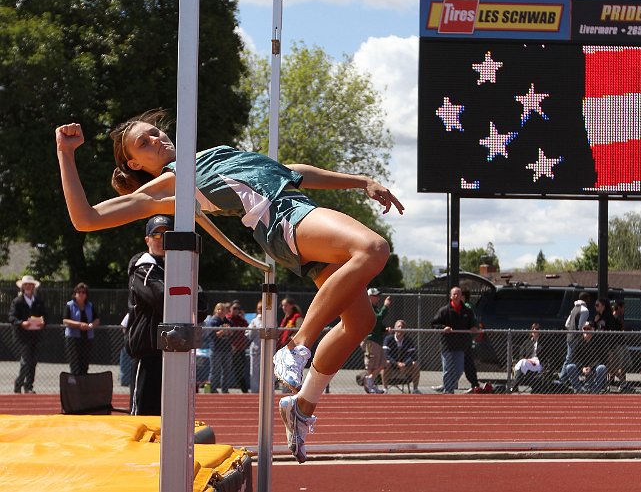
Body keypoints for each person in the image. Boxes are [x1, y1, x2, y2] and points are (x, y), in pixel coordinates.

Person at [55, 111, 403, 463]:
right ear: (134, 162)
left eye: (156, 133)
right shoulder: (169, 184)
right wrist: (65, 154)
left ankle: (302, 405)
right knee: (373, 248)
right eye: (144, 143)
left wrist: (361, 181)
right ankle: (296, 346)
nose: (157, 140)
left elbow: (289, 170)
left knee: (360, 323)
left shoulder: (208, 157)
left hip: (299, 215)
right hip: (284, 218)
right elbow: (86, 219)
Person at [125, 214, 172, 415]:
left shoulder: (177, 267)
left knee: (168, 416)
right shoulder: (143, 268)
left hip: (172, 351)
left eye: (167, 235)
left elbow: (201, 304)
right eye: (156, 235)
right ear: (147, 239)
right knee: (142, 417)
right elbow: (162, 297)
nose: (161, 240)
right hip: (147, 350)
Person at [430, 286, 479, 394]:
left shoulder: (467, 311)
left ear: (462, 296)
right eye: (454, 294)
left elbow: (474, 323)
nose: (456, 296)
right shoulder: (444, 311)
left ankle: (448, 386)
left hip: (461, 345)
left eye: (458, 294)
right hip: (447, 345)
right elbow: (433, 324)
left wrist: (474, 327)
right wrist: (443, 328)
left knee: (459, 369)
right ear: (451, 296)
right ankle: (448, 391)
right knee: (447, 369)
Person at [8, 275, 46, 394]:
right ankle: (19, 383)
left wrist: (43, 322)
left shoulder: (39, 301)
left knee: (33, 362)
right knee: (25, 361)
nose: (28, 286)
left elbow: (46, 316)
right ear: (22, 287)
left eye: (30, 284)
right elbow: (11, 317)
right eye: (26, 285)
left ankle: (29, 386)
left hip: (35, 335)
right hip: (22, 337)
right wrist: (21, 323)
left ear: (34, 287)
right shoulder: (17, 301)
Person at [62, 282, 100, 375]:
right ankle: (75, 386)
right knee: (75, 363)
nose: (81, 294)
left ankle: (83, 385)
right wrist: (79, 325)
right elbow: (65, 320)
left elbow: (97, 319)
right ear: (75, 293)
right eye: (79, 292)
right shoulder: (69, 305)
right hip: (73, 338)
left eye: (83, 292)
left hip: (87, 337)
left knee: (85, 363)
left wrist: (91, 326)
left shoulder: (90, 306)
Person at [563, 321, 608, 393]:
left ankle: (595, 390)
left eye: (588, 328)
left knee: (602, 368)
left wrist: (590, 367)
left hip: (594, 366)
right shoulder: (578, 341)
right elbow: (574, 359)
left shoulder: (599, 342)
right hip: (581, 366)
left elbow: (602, 359)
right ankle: (579, 389)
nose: (586, 331)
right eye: (584, 328)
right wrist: (583, 367)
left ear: (593, 329)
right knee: (570, 366)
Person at [360, 288, 391, 394]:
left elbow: (377, 324)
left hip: (377, 340)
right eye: (375, 295)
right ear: (369, 297)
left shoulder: (375, 308)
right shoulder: (367, 308)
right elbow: (376, 319)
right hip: (370, 339)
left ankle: (370, 381)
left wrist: (384, 329)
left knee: (382, 363)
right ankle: (370, 384)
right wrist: (385, 306)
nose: (378, 297)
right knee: (371, 364)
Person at [558, 291, 591, 383]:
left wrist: (571, 330)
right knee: (574, 359)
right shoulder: (584, 310)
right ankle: (563, 379)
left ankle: (564, 378)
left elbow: (566, 324)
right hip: (577, 338)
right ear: (586, 299)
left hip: (570, 336)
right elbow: (580, 326)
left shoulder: (574, 308)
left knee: (569, 358)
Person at [381, 320, 421, 394]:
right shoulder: (388, 339)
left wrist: (405, 364)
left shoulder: (408, 340)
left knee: (415, 364)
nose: (400, 328)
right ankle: (385, 389)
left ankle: (415, 389)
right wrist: (396, 363)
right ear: (394, 328)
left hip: (405, 367)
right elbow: (385, 355)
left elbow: (413, 356)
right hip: (392, 366)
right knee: (386, 363)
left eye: (402, 327)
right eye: (398, 326)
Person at [509, 323, 543, 393]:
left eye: (536, 329)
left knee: (523, 363)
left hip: (538, 363)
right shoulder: (526, 342)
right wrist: (529, 360)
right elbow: (521, 355)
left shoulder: (543, 342)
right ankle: (534, 386)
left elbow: (546, 356)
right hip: (527, 362)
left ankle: (513, 386)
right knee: (523, 361)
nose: (534, 330)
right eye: (533, 328)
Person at [208, 302, 234, 394]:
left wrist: (227, 331)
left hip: (227, 350)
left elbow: (232, 334)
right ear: (215, 310)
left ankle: (225, 389)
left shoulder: (228, 321)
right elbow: (215, 335)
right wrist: (224, 330)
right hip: (216, 349)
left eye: (223, 309)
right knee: (215, 371)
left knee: (227, 371)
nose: (221, 311)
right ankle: (213, 388)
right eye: (219, 309)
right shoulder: (213, 321)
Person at [460, 289, 481, 394]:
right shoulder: (467, 305)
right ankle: (474, 384)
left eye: (460, 295)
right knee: (464, 362)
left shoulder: (467, 306)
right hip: (464, 338)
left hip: (465, 339)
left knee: (467, 362)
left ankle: (474, 384)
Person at [228, 300, 250, 393]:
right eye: (234, 308)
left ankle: (244, 389)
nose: (236, 310)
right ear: (230, 309)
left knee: (240, 370)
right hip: (230, 349)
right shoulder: (228, 319)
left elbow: (248, 328)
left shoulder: (241, 320)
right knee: (229, 369)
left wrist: (243, 316)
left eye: (238, 309)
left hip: (241, 348)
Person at [246, 299, 264, 393]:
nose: (260, 311)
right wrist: (252, 330)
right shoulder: (254, 321)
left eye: (262, 308)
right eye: (259, 309)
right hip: (256, 349)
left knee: (265, 372)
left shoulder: (270, 320)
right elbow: (248, 335)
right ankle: (254, 391)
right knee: (254, 372)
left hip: (266, 350)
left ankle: (265, 390)